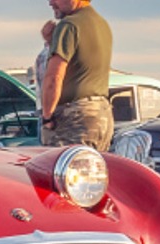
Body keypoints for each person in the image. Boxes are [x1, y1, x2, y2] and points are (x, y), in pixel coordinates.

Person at [41, 0, 114, 151]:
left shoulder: (69, 25)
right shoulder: (102, 24)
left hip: (76, 118)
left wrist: (47, 118)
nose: (51, 2)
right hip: (102, 116)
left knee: (60, 169)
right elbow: (82, 65)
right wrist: (52, 41)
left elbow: (53, 78)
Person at [34, 20, 57, 113]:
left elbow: (41, 85)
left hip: (44, 108)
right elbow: (51, 81)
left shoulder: (41, 56)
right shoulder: (51, 53)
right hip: (53, 108)